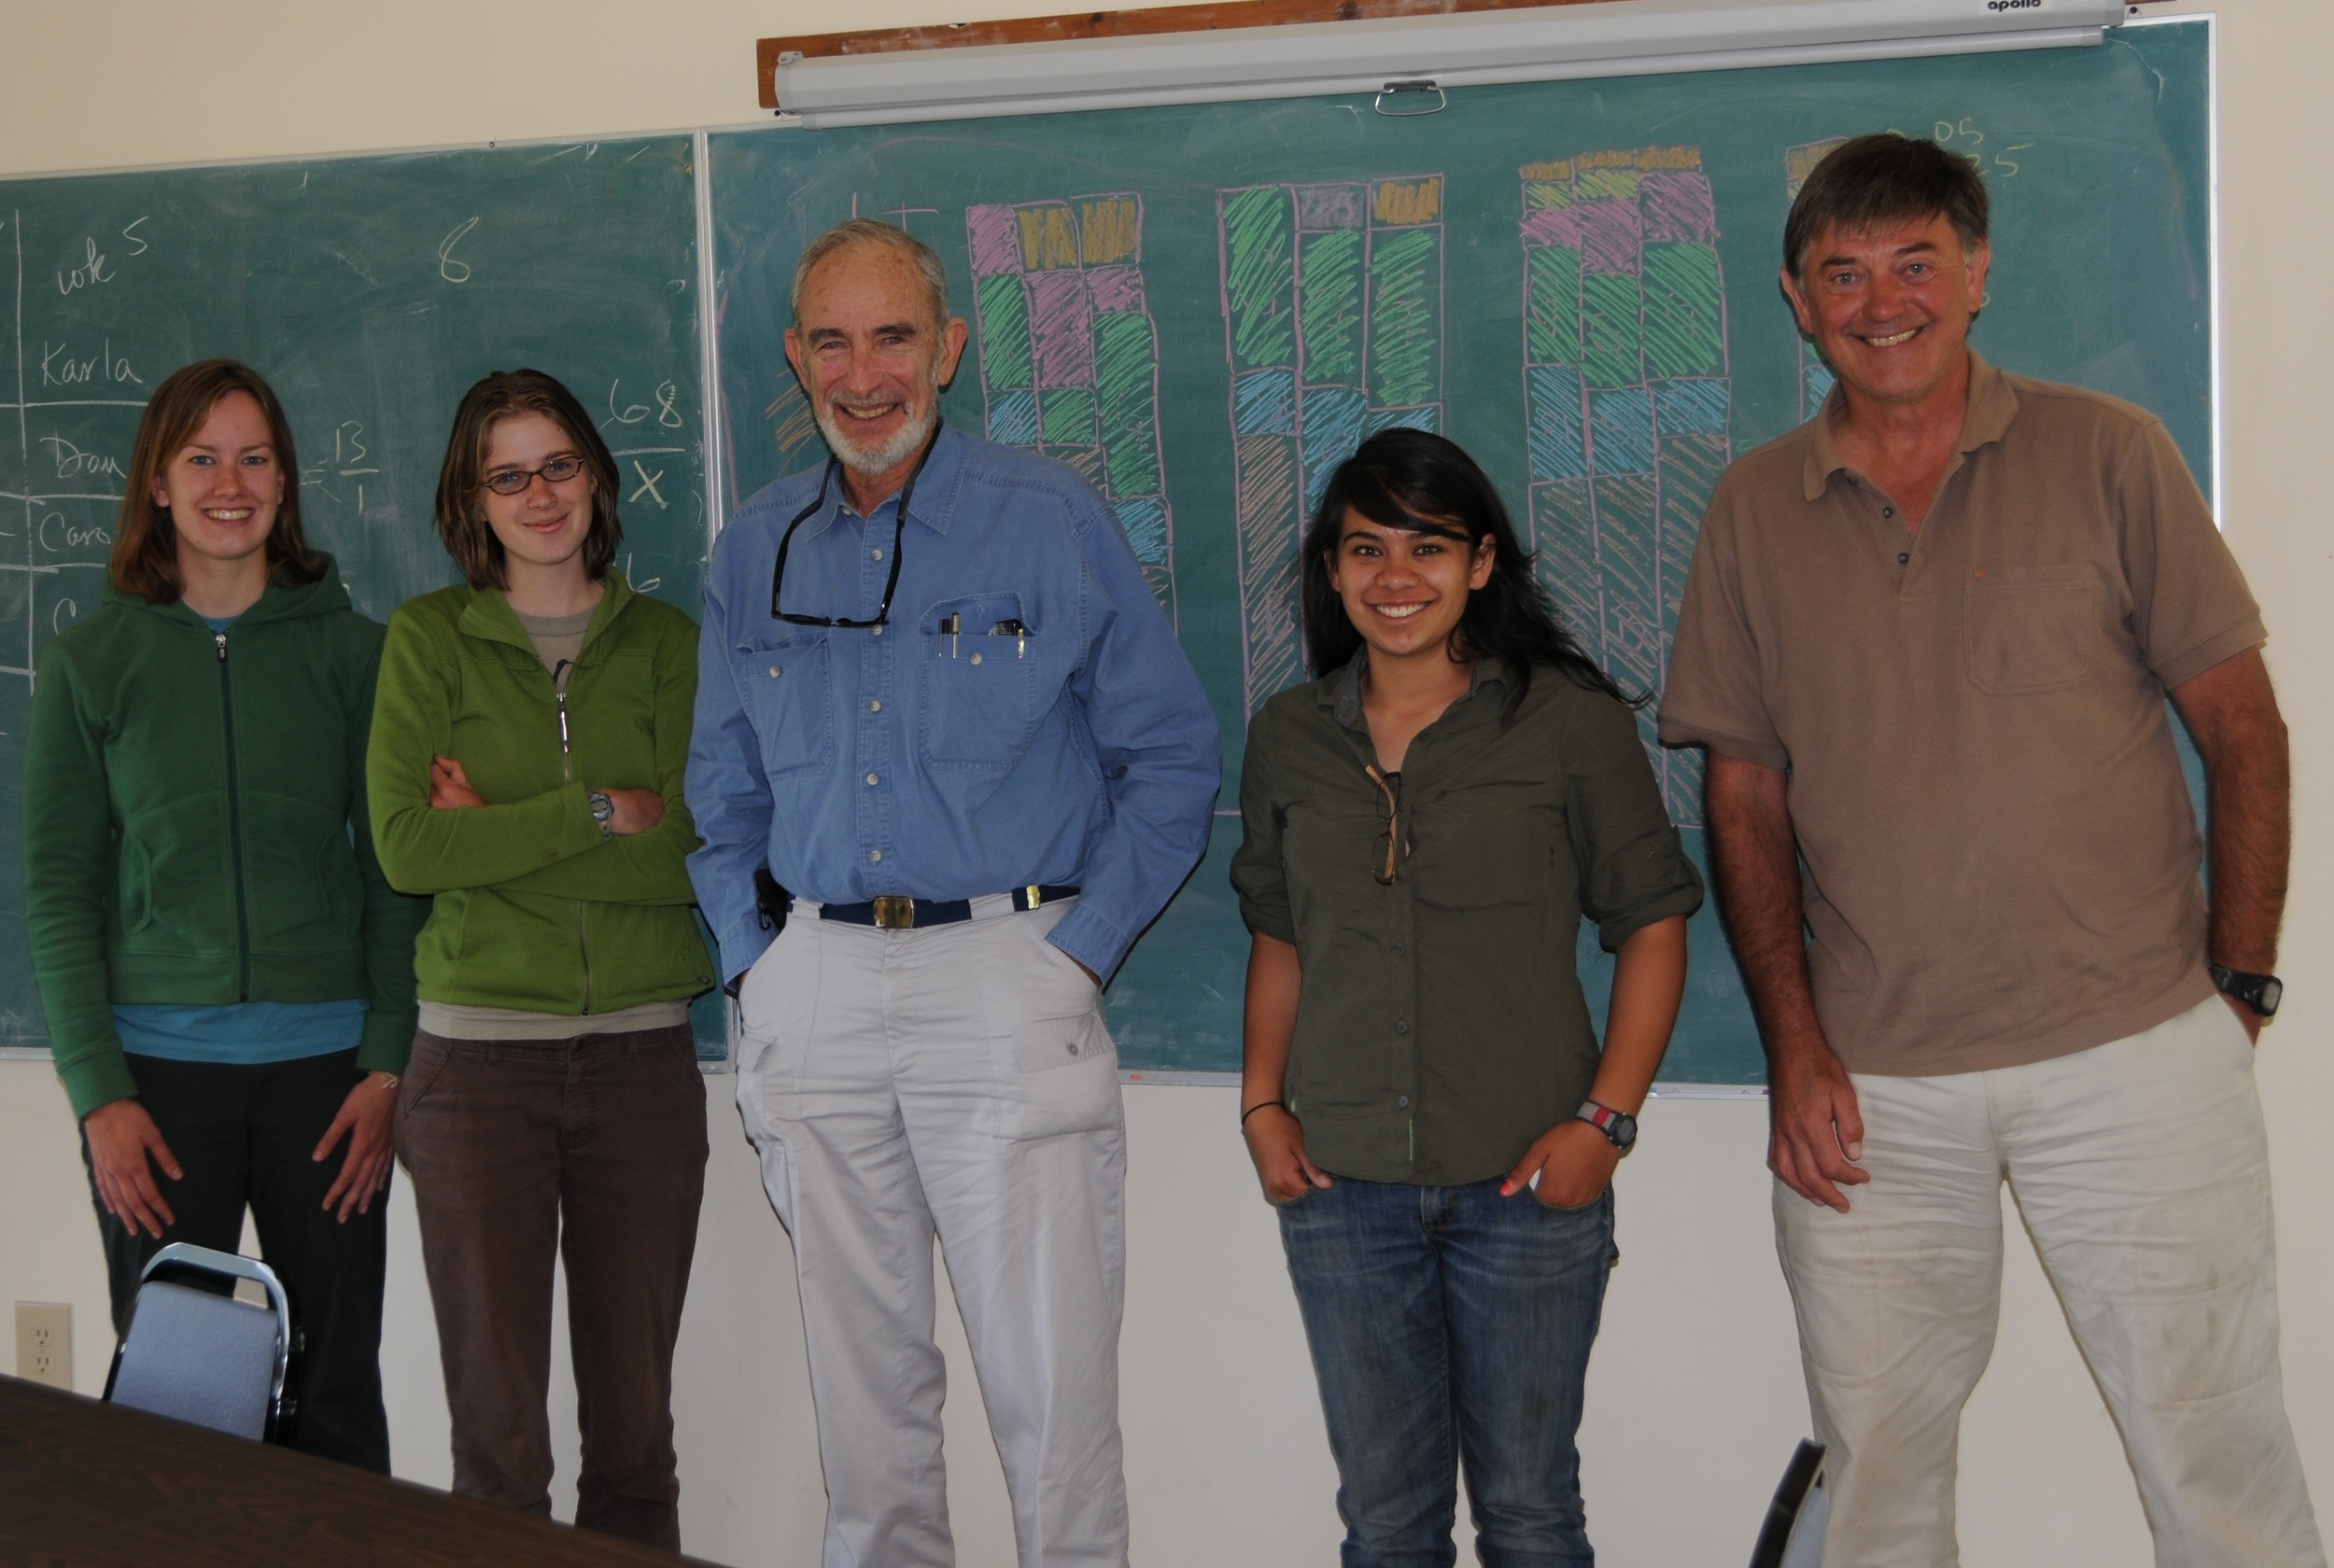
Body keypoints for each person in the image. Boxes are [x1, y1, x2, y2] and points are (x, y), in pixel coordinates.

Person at [1660, 133, 2323, 1565]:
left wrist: (2243, 988)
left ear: (1977, 276)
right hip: (1873, 1090)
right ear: (1796, 297)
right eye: (1845, 272)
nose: (1881, 300)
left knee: (2214, 1447)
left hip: (2137, 1056)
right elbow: (1744, 797)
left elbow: (2244, 726)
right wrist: (1793, 1046)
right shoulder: (1752, 511)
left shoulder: (2108, 454)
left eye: (1916, 262)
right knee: (1878, 1468)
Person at [687, 217, 1219, 1568]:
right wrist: (756, 964)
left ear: (952, 349)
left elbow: (1171, 757)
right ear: (796, 358)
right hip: (814, 992)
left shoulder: (1049, 520)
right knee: (864, 1411)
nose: (865, 375)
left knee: (1053, 1402)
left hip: (1005, 978)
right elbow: (721, 791)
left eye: (895, 336)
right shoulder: (752, 549)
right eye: (832, 341)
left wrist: (1077, 954)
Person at [1231, 428, 1702, 1567]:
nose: (1396, 579)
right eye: (1366, 549)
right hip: (1342, 1187)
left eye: (1427, 547)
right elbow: (1282, 938)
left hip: (1525, 1183)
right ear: (1333, 571)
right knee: (1386, 1524)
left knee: (1529, 1514)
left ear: (1481, 564)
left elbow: (1651, 923)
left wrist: (1606, 1121)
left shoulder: (1568, 725)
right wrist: (1260, 1108)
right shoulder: (1291, 738)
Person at [24, 358, 425, 1471]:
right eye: (200, 457)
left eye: (254, 457)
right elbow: (56, 887)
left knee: (336, 1392)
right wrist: (99, 1094)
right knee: (178, 1408)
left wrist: (387, 1066)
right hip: (157, 1092)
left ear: (286, 481)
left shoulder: (356, 654)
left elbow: (395, 873)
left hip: (329, 1084)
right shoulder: (91, 662)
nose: (229, 482)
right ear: (157, 483)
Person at [368, 369, 712, 1549]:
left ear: (597, 475)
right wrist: (599, 813)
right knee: (498, 1451)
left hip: (640, 1070)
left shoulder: (668, 644)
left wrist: (494, 832)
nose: (539, 493)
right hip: (474, 1077)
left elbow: (693, 858)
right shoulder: (427, 641)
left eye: (558, 463)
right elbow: (411, 848)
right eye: (506, 473)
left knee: (636, 1444)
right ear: (472, 499)